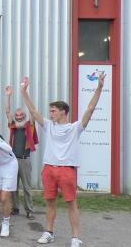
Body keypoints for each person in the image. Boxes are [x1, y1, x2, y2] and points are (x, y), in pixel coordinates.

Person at [20, 74, 105, 247]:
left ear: (63, 112)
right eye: (50, 111)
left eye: (53, 111)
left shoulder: (75, 128)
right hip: (49, 169)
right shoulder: (49, 126)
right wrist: (24, 92)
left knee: (71, 204)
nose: (50, 113)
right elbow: (34, 112)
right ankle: (48, 232)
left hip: (67, 170)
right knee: (50, 203)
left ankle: (75, 237)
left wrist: (99, 87)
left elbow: (89, 109)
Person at [5, 85, 39, 220]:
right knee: (13, 187)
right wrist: (8, 95)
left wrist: (25, 93)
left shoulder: (29, 126)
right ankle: (16, 208)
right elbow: (7, 112)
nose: (18, 117)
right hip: (13, 160)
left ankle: (29, 210)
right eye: (17, 115)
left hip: (25, 159)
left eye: (21, 115)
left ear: (24, 117)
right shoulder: (12, 125)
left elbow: (32, 111)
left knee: (26, 187)